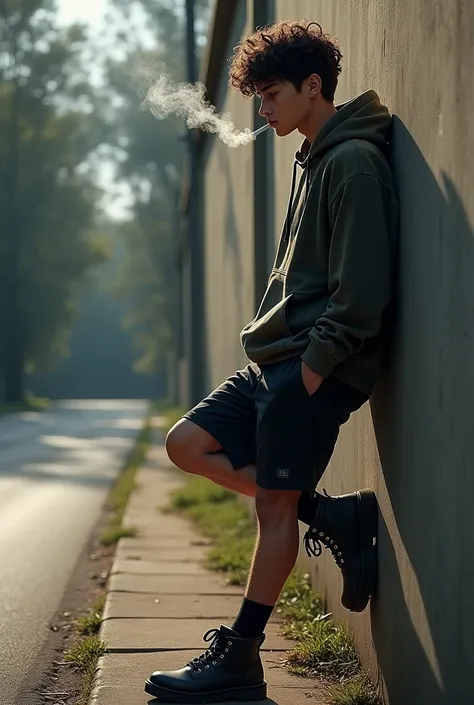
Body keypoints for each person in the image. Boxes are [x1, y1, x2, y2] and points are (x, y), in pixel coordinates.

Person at [145, 20, 398, 704]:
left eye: (271, 93)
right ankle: (334, 516)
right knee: (186, 443)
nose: (262, 109)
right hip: (275, 360)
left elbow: (364, 289)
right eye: (255, 96)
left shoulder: (351, 162)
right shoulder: (314, 154)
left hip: (309, 367)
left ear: (312, 87)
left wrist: (314, 369)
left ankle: (242, 659)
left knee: (273, 509)